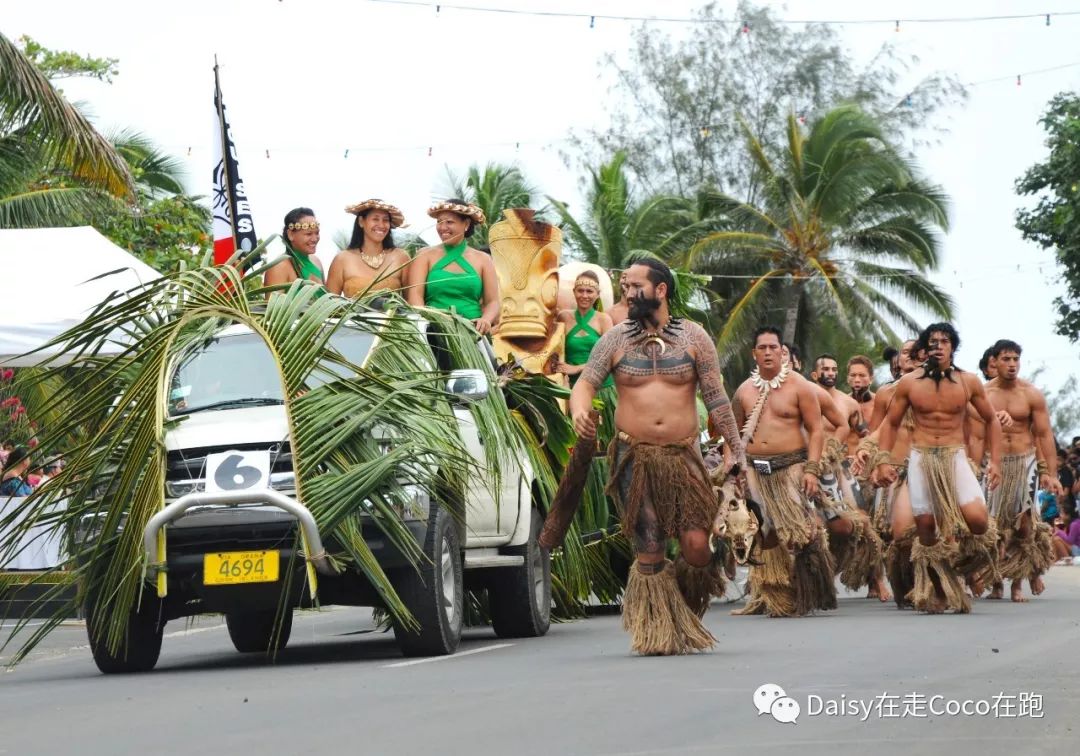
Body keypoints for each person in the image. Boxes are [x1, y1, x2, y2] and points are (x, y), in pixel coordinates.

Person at [569, 259, 745, 655]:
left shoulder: (695, 337)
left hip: (685, 456)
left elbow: (716, 397)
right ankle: (658, 630)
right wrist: (580, 410)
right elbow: (586, 385)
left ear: (661, 290)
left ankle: (683, 605)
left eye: (635, 286)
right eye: (626, 286)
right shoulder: (614, 340)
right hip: (635, 456)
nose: (628, 293)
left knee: (698, 546)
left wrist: (737, 451)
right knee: (650, 546)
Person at [873, 322, 1001, 614]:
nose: (938, 345)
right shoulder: (910, 383)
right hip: (922, 458)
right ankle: (941, 589)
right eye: (933, 341)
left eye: (944, 341)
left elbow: (990, 419)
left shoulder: (969, 382)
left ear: (952, 348)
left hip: (954, 457)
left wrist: (994, 462)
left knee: (978, 521)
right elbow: (890, 424)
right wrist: (881, 460)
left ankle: (963, 564)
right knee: (926, 530)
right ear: (925, 348)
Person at [730, 327, 838, 618]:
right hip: (755, 468)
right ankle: (775, 594)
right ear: (754, 353)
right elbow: (733, 435)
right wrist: (732, 470)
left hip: (792, 464)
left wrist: (812, 470)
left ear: (781, 352)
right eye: (761, 347)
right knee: (765, 530)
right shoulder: (743, 391)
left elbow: (817, 431)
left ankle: (814, 574)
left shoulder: (800, 386)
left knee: (796, 531)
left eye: (772, 347)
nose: (767, 352)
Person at [983, 340, 1061, 602]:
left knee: (1023, 524)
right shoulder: (984, 394)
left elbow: (1044, 435)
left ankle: (1018, 582)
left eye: (1016, 359)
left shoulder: (1031, 394)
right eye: (1006, 359)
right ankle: (996, 583)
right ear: (994, 362)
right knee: (992, 525)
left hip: (1024, 462)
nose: (1012, 364)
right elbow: (972, 433)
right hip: (994, 463)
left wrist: (1051, 473)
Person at [405, 199, 499, 335]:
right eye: (439, 222)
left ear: (466, 224)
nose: (442, 227)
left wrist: (485, 320)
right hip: (432, 331)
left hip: (472, 332)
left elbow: (492, 302)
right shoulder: (424, 255)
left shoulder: (483, 259)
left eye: (449, 222)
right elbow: (415, 296)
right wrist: (427, 324)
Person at [326, 199, 411, 297]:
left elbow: (411, 301)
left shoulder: (400, 257)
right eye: (375, 219)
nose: (381, 225)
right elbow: (330, 304)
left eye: (385, 220)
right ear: (361, 221)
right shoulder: (342, 259)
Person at [554, 270, 614, 386]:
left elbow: (610, 357)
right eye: (580, 291)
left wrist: (577, 368)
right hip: (572, 386)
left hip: (600, 387)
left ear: (597, 294)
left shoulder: (604, 320)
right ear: (574, 292)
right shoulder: (563, 317)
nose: (584, 295)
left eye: (589, 291)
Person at [263, 207, 325, 287]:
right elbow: (272, 299)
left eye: (317, 233)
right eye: (308, 234)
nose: (314, 239)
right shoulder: (278, 267)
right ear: (291, 235)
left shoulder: (316, 262)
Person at [847, 355, 876, 429]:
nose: (857, 380)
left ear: (871, 379)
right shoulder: (841, 403)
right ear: (848, 379)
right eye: (853, 375)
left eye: (862, 375)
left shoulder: (879, 403)